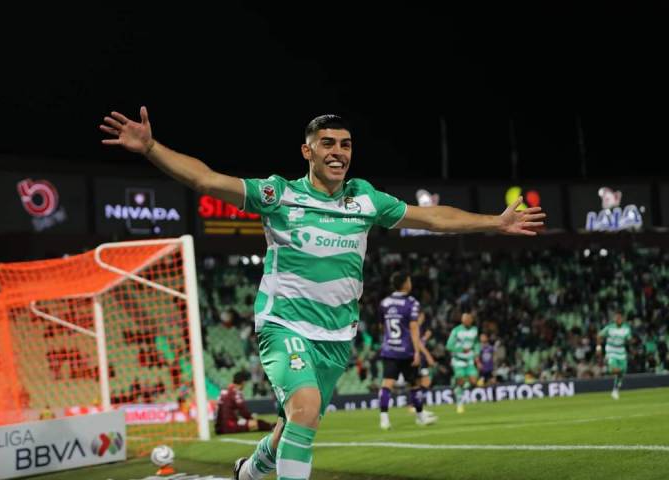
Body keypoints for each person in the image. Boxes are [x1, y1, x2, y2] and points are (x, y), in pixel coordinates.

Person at [100, 108, 545, 480]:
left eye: (345, 144)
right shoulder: (279, 194)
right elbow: (208, 181)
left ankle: (248, 472)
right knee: (307, 408)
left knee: (294, 424)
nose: (338, 152)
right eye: (327, 143)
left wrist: (495, 222)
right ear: (307, 151)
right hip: (284, 324)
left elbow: (431, 218)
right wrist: (152, 148)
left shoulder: (365, 199)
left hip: (336, 336)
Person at [377, 271, 436, 430]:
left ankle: (384, 419)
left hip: (389, 349)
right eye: (409, 281)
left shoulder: (384, 303)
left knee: (387, 384)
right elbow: (414, 328)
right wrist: (417, 351)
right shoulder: (411, 303)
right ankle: (420, 416)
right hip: (406, 351)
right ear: (405, 284)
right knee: (414, 384)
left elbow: (382, 327)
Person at [446, 312, 480, 413]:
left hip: (469, 360)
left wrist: (477, 353)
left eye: (468, 319)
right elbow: (449, 346)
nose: (466, 321)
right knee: (461, 380)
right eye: (464, 319)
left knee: (474, 382)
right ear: (462, 320)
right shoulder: (456, 331)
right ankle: (459, 404)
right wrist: (461, 350)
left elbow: (476, 343)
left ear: (471, 320)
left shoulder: (475, 330)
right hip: (458, 360)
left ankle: (457, 387)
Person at [596, 311, 632, 400]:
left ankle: (615, 389)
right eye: (617, 318)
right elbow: (599, 335)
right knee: (615, 370)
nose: (618, 319)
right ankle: (608, 368)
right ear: (614, 319)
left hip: (621, 351)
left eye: (620, 318)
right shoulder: (610, 328)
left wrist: (631, 343)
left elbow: (629, 339)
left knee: (622, 371)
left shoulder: (626, 328)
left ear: (622, 319)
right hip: (611, 350)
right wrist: (598, 348)